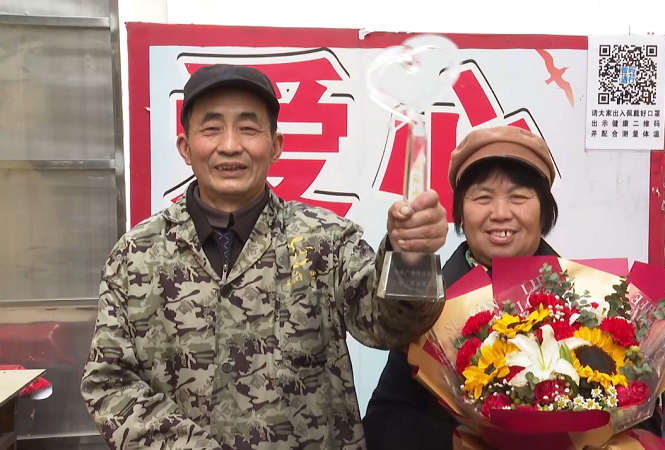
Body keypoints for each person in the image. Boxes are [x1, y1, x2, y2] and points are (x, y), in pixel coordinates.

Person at [80, 64, 448, 450]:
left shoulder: (327, 241)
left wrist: (409, 256)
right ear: (185, 148)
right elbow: (108, 384)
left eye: (248, 128)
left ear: (275, 146)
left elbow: (390, 327)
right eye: (212, 128)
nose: (230, 145)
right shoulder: (136, 255)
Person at [362, 126, 663, 449]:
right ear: (460, 210)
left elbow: (644, 421)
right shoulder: (430, 306)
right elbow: (383, 421)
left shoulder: (594, 301)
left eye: (519, 196)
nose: (501, 214)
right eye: (483, 197)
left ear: (544, 209)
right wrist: (461, 444)